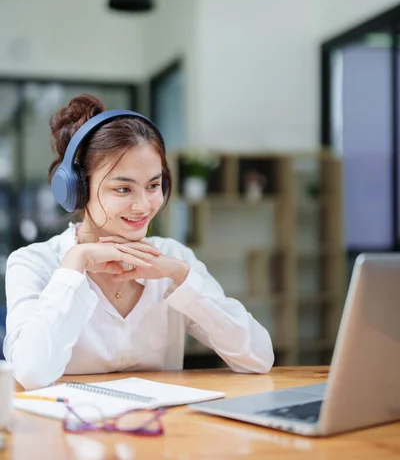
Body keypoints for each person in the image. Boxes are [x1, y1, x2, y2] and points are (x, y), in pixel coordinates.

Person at [4, 94, 274, 390]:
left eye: (153, 186)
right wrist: (73, 267)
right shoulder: (34, 264)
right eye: (123, 189)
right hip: (69, 433)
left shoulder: (172, 258)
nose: (143, 206)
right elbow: (30, 373)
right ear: (77, 191)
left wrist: (182, 278)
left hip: (164, 433)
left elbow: (258, 358)